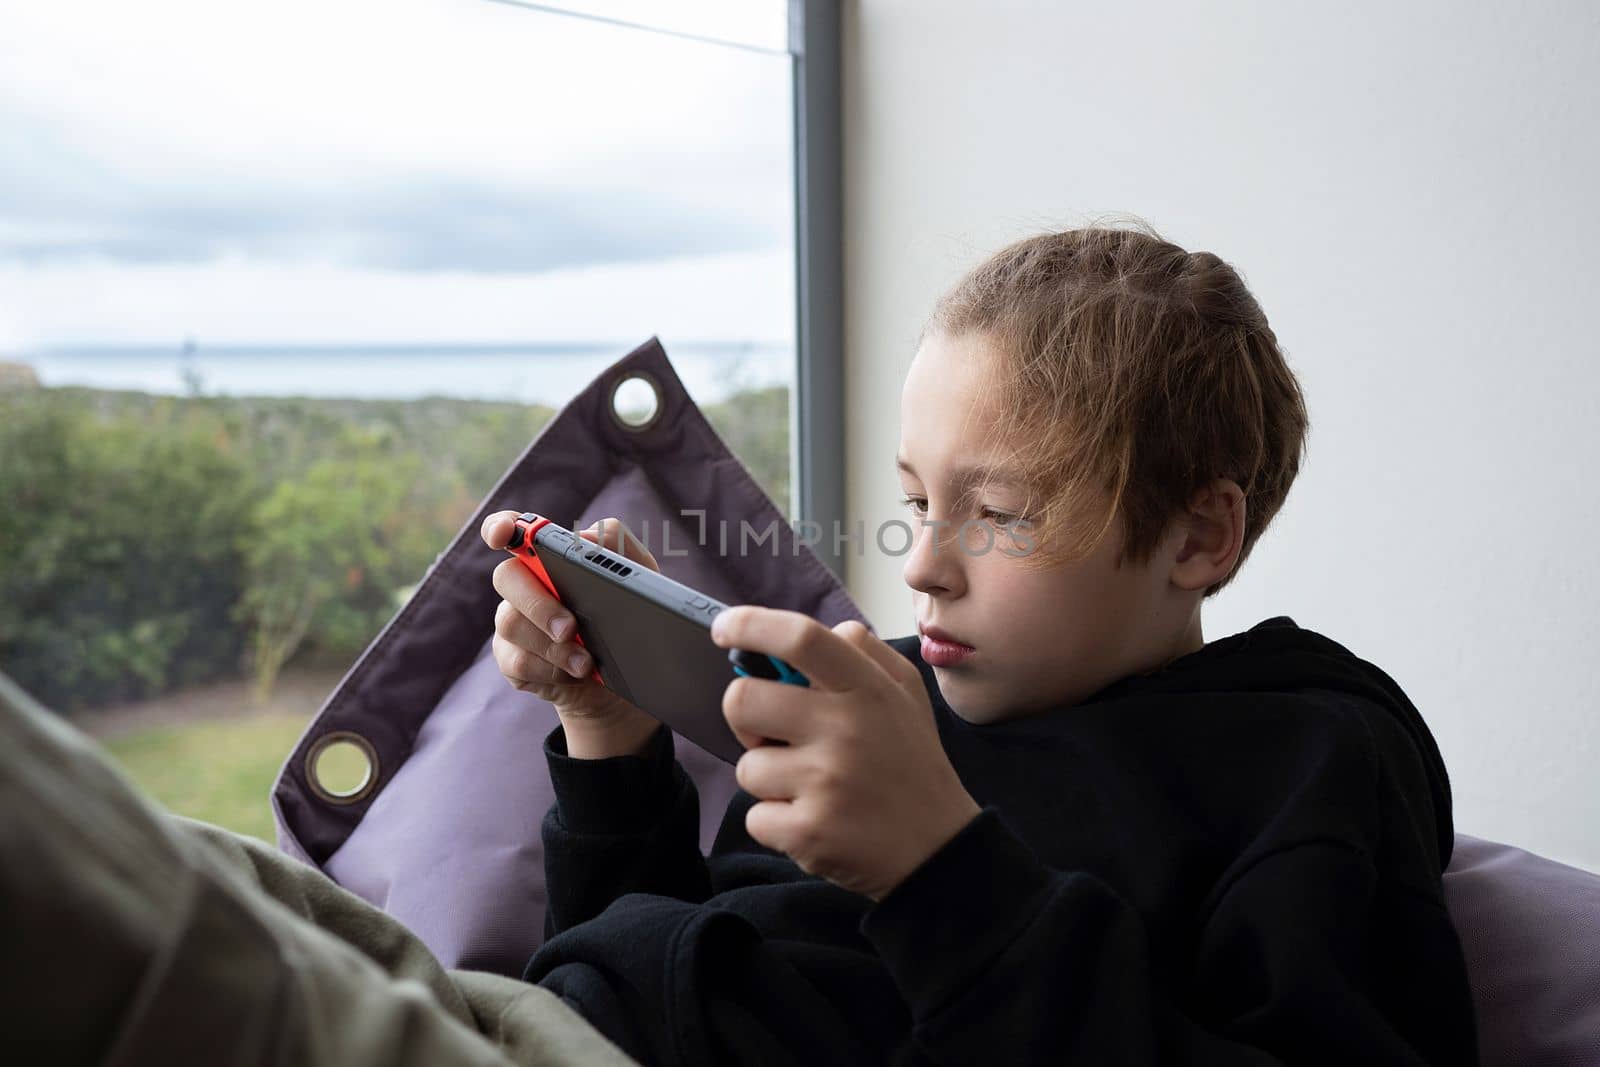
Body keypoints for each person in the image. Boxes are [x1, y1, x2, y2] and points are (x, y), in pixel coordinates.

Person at [481, 224, 1481, 1065]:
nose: (920, 565)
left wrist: (938, 870)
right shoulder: (883, 689)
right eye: (916, 499)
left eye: (997, 512)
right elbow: (657, 963)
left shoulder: (1304, 762)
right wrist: (607, 734)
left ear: (1197, 535)